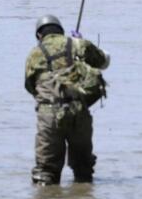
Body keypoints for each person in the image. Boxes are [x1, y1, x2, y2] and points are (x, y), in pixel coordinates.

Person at [25, 15, 109, 185]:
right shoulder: (78, 44)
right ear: (61, 31)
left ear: (39, 36)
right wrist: (81, 43)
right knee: (83, 171)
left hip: (49, 115)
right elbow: (104, 61)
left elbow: (30, 87)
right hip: (78, 111)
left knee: (45, 173)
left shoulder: (34, 54)